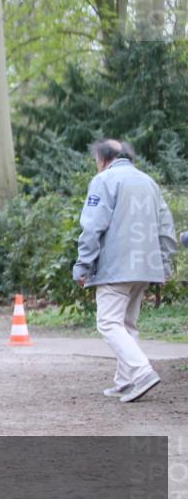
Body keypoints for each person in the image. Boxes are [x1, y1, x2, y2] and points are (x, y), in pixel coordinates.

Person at [73, 139, 177, 403]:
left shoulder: (104, 180)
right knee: (126, 323)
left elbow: (93, 226)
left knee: (108, 322)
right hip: (146, 266)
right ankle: (125, 381)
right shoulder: (149, 183)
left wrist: (83, 265)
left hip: (115, 267)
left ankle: (142, 373)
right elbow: (166, 228)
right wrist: (165, 264)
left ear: (103, 159)